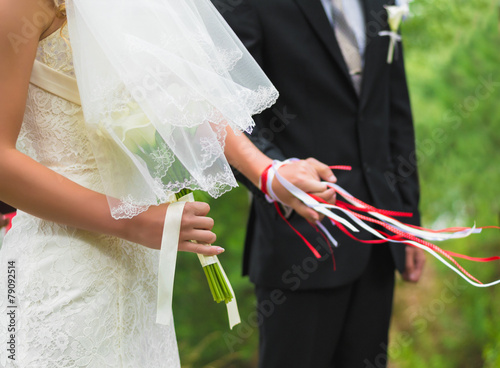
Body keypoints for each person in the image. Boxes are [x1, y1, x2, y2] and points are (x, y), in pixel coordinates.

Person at [0, 0, 336, 366]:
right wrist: (135, 221)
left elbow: (181, 90)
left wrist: (266, 172)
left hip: (141, 274)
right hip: (63, 264)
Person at [213, 0, 426, 367]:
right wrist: (281, 177)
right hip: (299, 240)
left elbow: (394, 108)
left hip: (379, 237)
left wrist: (408, 217)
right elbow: (226, 111)